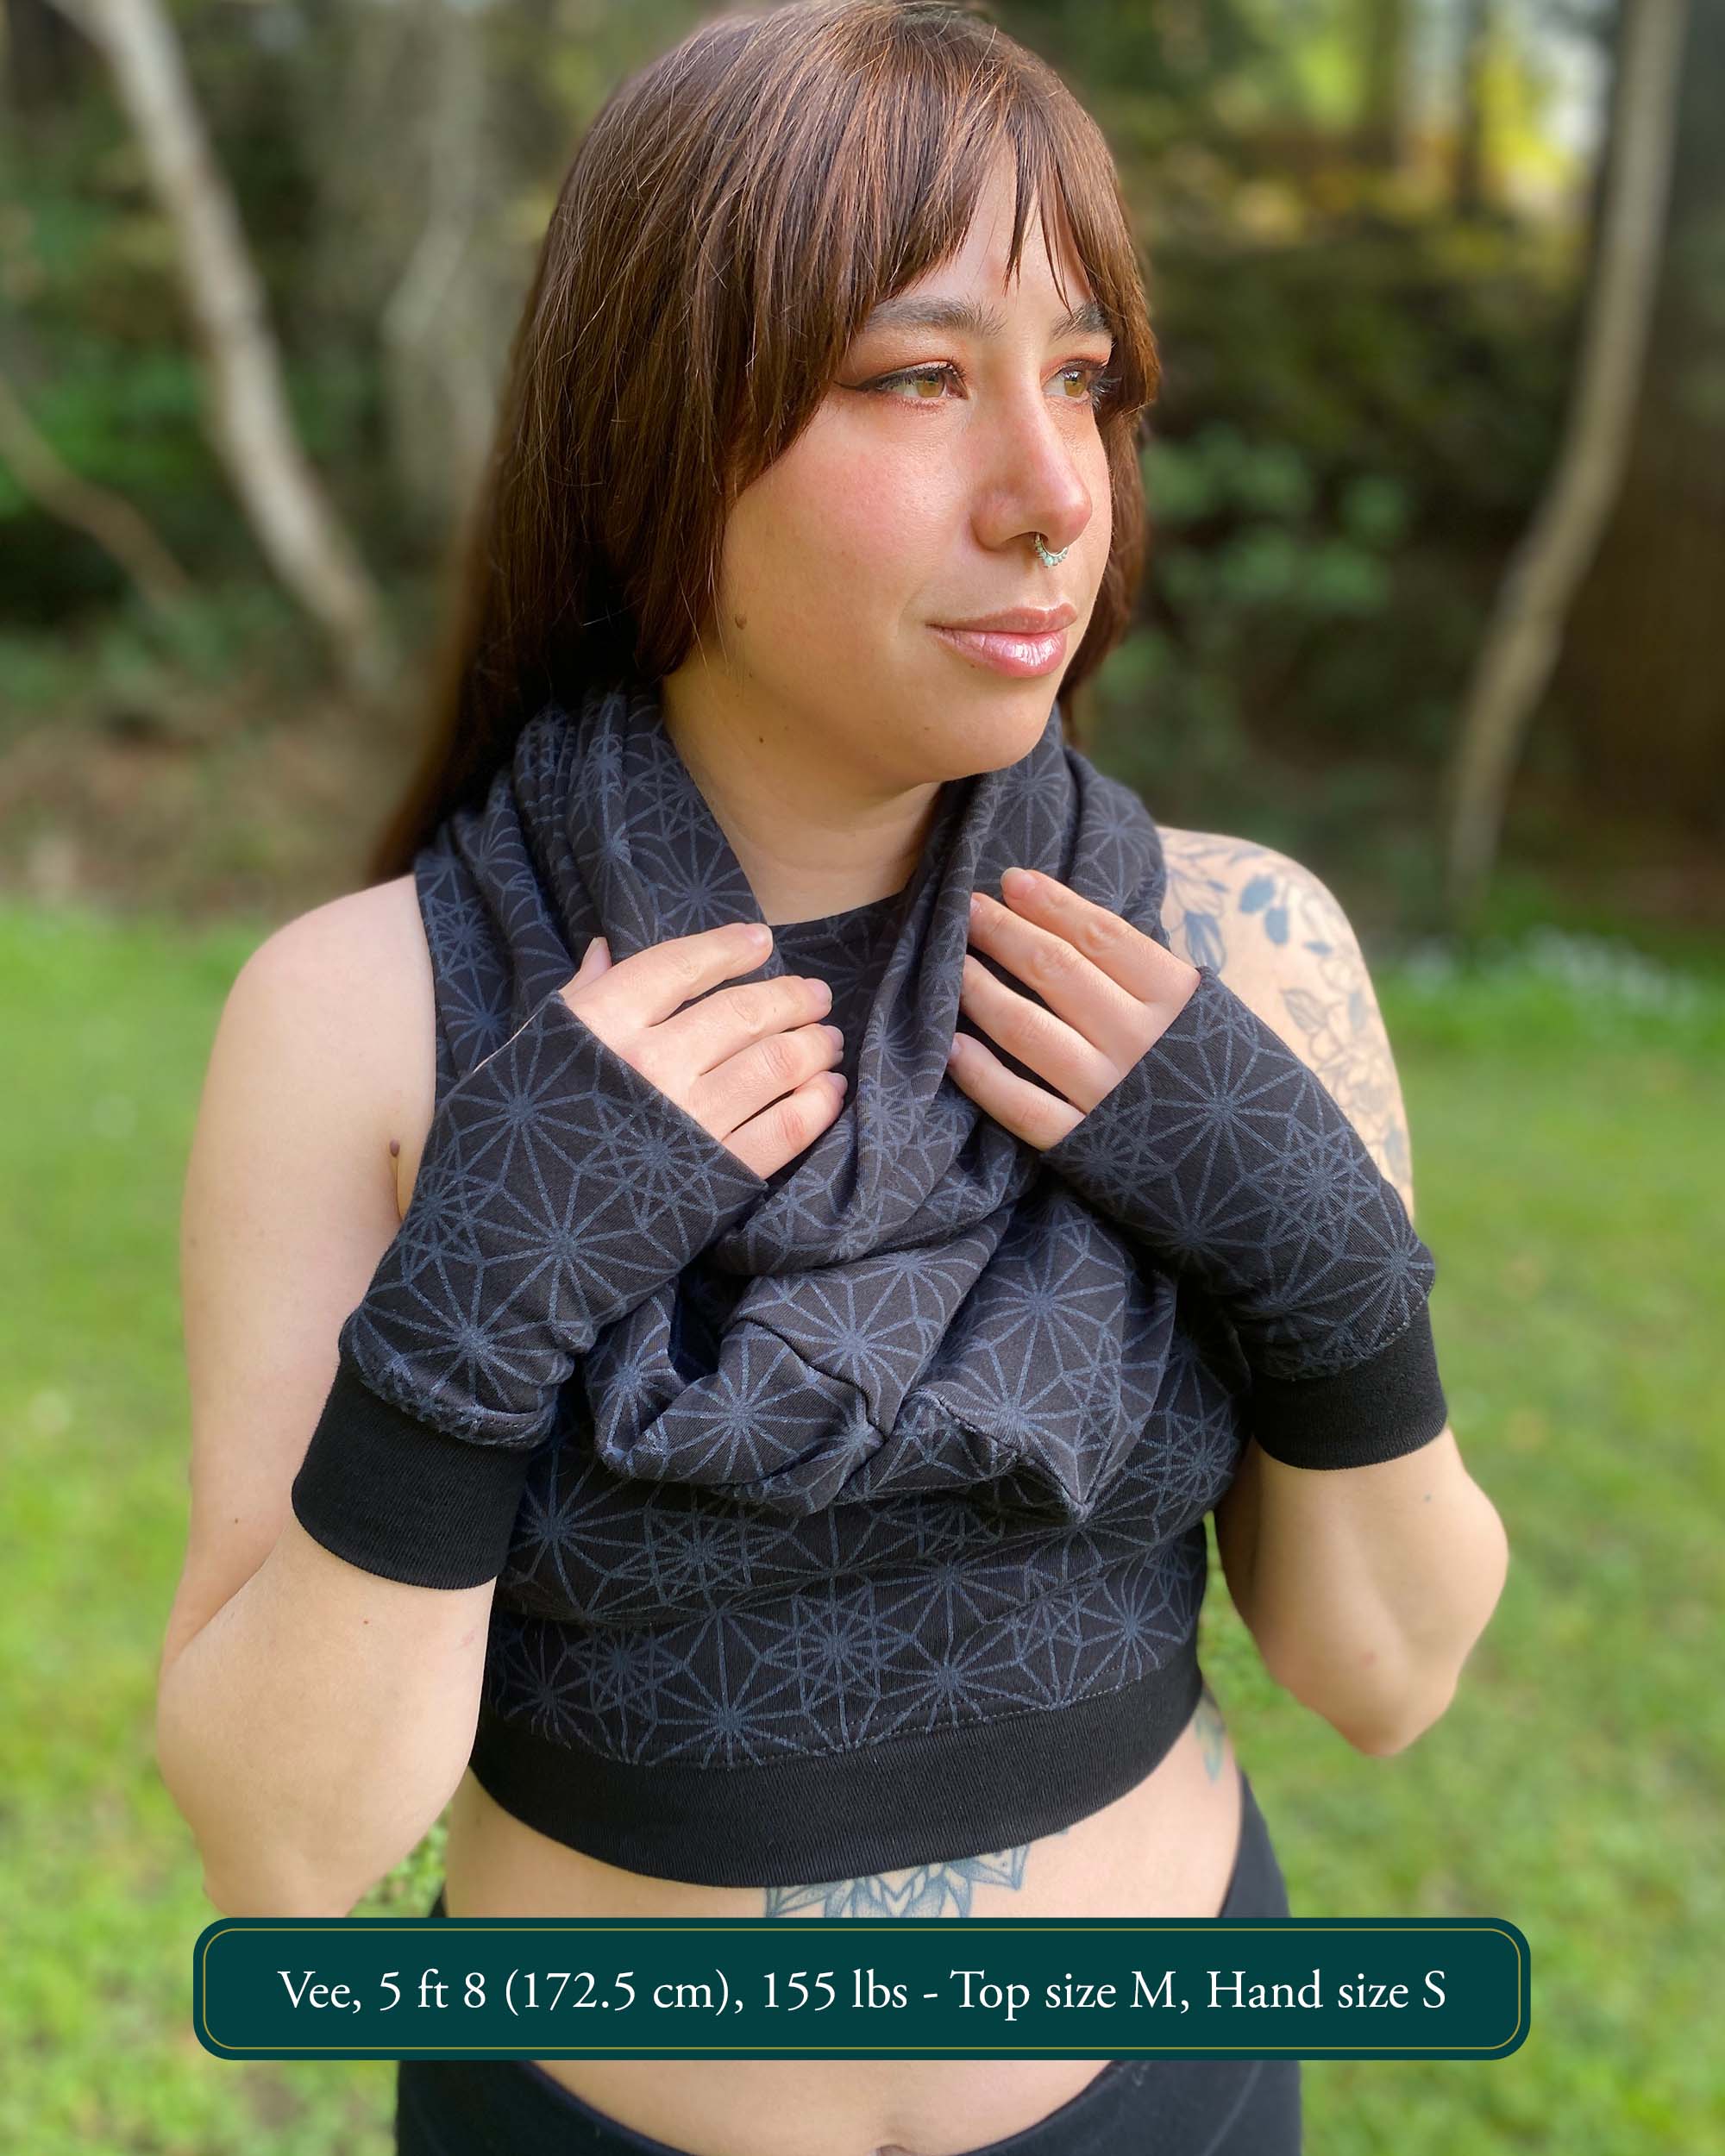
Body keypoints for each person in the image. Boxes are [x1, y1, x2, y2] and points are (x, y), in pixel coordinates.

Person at [154, 5, 1510, 2153]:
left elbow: (1386, 1672)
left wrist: (1310, 1236)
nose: (1053, 492)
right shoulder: (374, 1015)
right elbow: (285, 1850)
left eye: (1082, 378)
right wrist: (476, 1297)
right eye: (915, 374)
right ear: (660, 432)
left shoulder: (1233, 949)